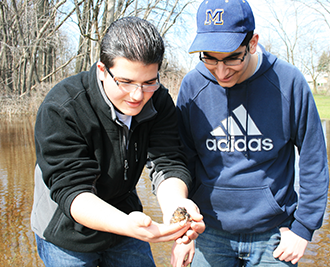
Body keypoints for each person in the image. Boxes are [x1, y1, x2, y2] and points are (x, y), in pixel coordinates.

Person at [31, 17, 204, 267]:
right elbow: (73, 191)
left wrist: (177, 206)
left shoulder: (158, 100)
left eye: (148, 82)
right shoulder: (62, 108)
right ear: (103, 70)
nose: (137, 95)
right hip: (67, 230)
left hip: (126, 217)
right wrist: (129, 226)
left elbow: (167, 161)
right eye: (125, 82)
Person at [174, 0, 329, 266]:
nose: (221, 72)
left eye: (232, 57)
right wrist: (183, 232)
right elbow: (181, 161)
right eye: (210, 58)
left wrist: (304, 228)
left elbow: (313, 158)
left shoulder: (289, 82)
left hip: (273, 236)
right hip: (209, 230)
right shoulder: (192, 86)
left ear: (253, 42)